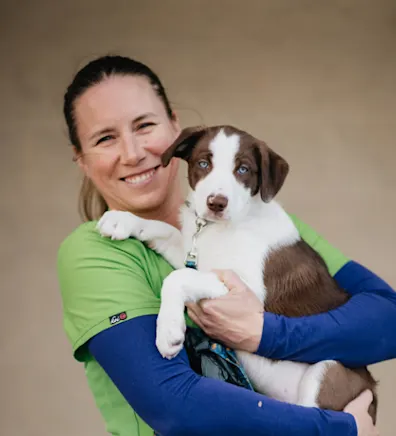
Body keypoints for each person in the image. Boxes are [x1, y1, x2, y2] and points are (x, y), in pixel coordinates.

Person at [57, 55, 395, 436]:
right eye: (105, 138)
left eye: (145, 125)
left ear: (174, 127)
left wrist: (266, 334)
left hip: (311, 390)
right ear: (81, 160)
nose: (133, 152)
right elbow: (173, 404)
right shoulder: (94, 253)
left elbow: (388, 319)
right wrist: (341, 430)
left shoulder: (266, 223)